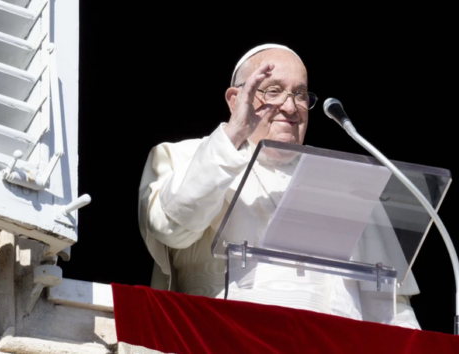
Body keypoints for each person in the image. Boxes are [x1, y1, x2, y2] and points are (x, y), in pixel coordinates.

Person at [137, 43, 421, 329]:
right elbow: (171, 229)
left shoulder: (347, 181)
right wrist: (234, 134)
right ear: (235, 100)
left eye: (300, 94)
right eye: (273, 91)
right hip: (227, 335)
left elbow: (389, 301)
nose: (290, 107)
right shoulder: (184, 157)